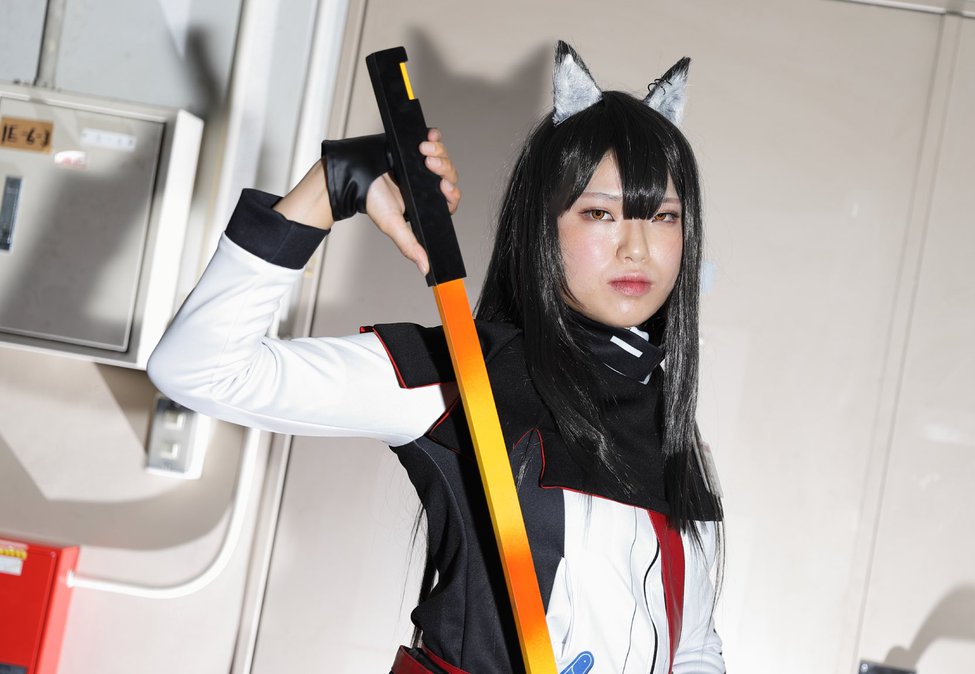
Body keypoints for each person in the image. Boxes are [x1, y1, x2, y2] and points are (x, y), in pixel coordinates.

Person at [148, 41, 724, 674]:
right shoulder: (468, 374)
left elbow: (694, 647)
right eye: (599, 213)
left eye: (662, 216)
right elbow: (199, 369)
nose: (637, 247)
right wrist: (330, 188)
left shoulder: (668, 421)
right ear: (542, 225)